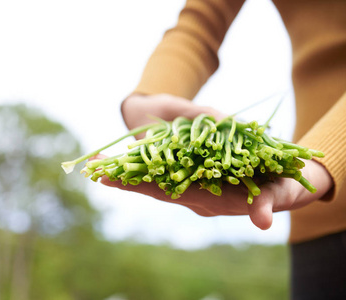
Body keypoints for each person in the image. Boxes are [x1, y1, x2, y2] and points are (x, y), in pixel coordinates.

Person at [99, 0, 346, 299]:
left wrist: (326, 157)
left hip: (317, 175)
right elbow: (201, 20)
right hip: (317, 221)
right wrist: (146, 97)